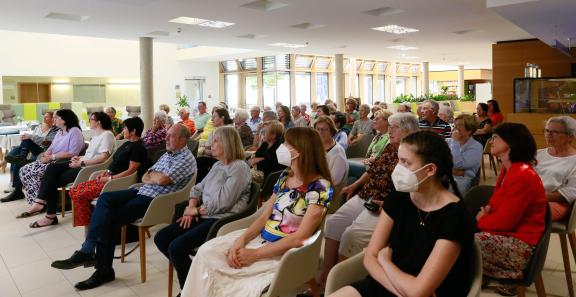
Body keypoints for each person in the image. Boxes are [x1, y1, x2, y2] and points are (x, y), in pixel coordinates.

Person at [181, 127, 334, 297]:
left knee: (237, 283)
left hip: (283, 251)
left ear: (300, 150)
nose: (281, 147)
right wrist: (242, 239)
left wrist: (255, 254)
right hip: (261, 238)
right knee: (206, 253)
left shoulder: (320, 187)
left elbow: (300, 237)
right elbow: (263, 217)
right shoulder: (285, 176)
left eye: (286, 144)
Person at [52, 124, 197, 290]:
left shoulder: (186, 158)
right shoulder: (168, 155)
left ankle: (99, 265)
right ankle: (90, 252)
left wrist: (155, 177)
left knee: (109, 218)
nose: (166, 138)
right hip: (141, 190)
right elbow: (145, 175)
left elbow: (163, 180)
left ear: (183, 139)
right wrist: (154, 177)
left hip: (156, 200)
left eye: (170, 135)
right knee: (104, 199)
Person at [329, 131, 474, 297]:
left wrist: (385, 261)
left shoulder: (455, 216)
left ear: (430, 170)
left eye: (405, 162)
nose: (398, 168)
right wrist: (402, 289)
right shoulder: (398, 198)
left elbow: (419, 291)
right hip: (390, 283)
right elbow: (369, 258)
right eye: (399, 160)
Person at [320, 113, 420, 287]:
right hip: (367, 194)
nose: (389, 131)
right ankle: (327, 274)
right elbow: (373, 170)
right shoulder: (391, 146)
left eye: (393, 127)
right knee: (334, 222)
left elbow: (414, 188)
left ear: (407, 130)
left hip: (384, 203)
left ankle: (340, 281)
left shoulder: (416, 151)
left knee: (351, 235)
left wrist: (390, 206)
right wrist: (355, 185)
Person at [155, 126, 252, 291]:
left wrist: (197, 211)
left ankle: (189, 290)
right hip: (204, 214)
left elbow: (223, 202)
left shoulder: (239, 167)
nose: (210, 144)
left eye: (215, 140)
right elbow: (197, 189)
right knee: (161, 238)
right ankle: (198, 281)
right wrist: (191, 207)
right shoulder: (218, 166)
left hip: (221, 220)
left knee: (176, 248)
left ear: (227, 143)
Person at [475, 123, 546, 295]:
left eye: (496, 137)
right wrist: (488, 213)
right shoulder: (509, 169)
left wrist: (481, 219)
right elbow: (493, 203)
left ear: (511, 143)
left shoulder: (522, 175)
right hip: (508, 236)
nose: (491, 141)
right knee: (452, 240)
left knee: (458, 244)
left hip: (520, 246)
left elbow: (505, 222)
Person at [23, 111, 116, 227]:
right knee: (52, 169)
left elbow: (104, 157)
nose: (89, 121)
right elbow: (90, 155)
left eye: (91, 119)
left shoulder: (107, 135)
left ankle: (48, 215)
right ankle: (41, 204)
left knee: (52, 180)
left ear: (99, 122)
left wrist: (81, 162)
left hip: (90, 168)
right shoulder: (97, 136)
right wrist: (79, 158)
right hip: (83, 163)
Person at [69, 117, 147, 227]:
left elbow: (130, 172)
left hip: (117, 182)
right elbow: (115, 163)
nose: (122, 131)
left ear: (133, 131)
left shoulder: (139, 148)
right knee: (74, 190)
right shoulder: (126, 144)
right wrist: (106, 172)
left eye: (125, 128)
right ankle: (90, 221)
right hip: (108, 177)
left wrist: (109, 178)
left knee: (81, 194)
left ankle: (90, 225)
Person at [18, 109, 85, 205]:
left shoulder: (75, 131)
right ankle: (37, 201)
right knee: (23, 170)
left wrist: (52, 157)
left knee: (31, 172)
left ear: (64, 119)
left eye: (56, 117)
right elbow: (51, 147)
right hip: (52, 160)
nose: (53, 119)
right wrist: (45, 155)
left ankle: (41, 202)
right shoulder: (60, 132)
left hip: (63, 162)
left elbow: (73, 153)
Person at [1, 111, 59, 203]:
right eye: (44, 116)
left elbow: (47, 142)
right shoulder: (38, 127)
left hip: (44, 152)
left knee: (25, 144)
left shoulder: (56, 129)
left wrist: (31, 137)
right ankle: (17, 191)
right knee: (18, 158)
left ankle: (10, 161)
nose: (44, 118)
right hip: (34, 151)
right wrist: (29, 138)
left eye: (47, 117)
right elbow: (34, 139)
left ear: (53, 119)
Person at [534, 116, 576, 222]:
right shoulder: (537, 154)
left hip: (557, 203)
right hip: (531, 198)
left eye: (555, 132)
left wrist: (536, 196)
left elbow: (570, 193)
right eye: (547, 130)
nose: (548, 134)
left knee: (525, 216)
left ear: (570, 137)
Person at [348, 110, 392, 182]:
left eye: (377, 119)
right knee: (352, 179)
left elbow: (387, 157)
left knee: (345, 165)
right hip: (368, 164)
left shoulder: (391, 137)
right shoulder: (378, 136)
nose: (373, 120)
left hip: (377, 167)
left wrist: (374, 159)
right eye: (374, 118)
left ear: (387, 121)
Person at [447, 114, 483, 194]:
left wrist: (455, 142)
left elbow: (457, 165)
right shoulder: (448, 141)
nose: (455, 128)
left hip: (462, 181)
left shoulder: (476, 146)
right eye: (454, 125)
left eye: (459, 125)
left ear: (469, 129)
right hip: (446, 176)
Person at [315, 116, 347, 186]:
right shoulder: (315, 146)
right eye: (318, 129)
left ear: (332, 131)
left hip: (329, 190)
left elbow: (334, 181)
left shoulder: (338, 152)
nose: (320, 132)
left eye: (324, 129)